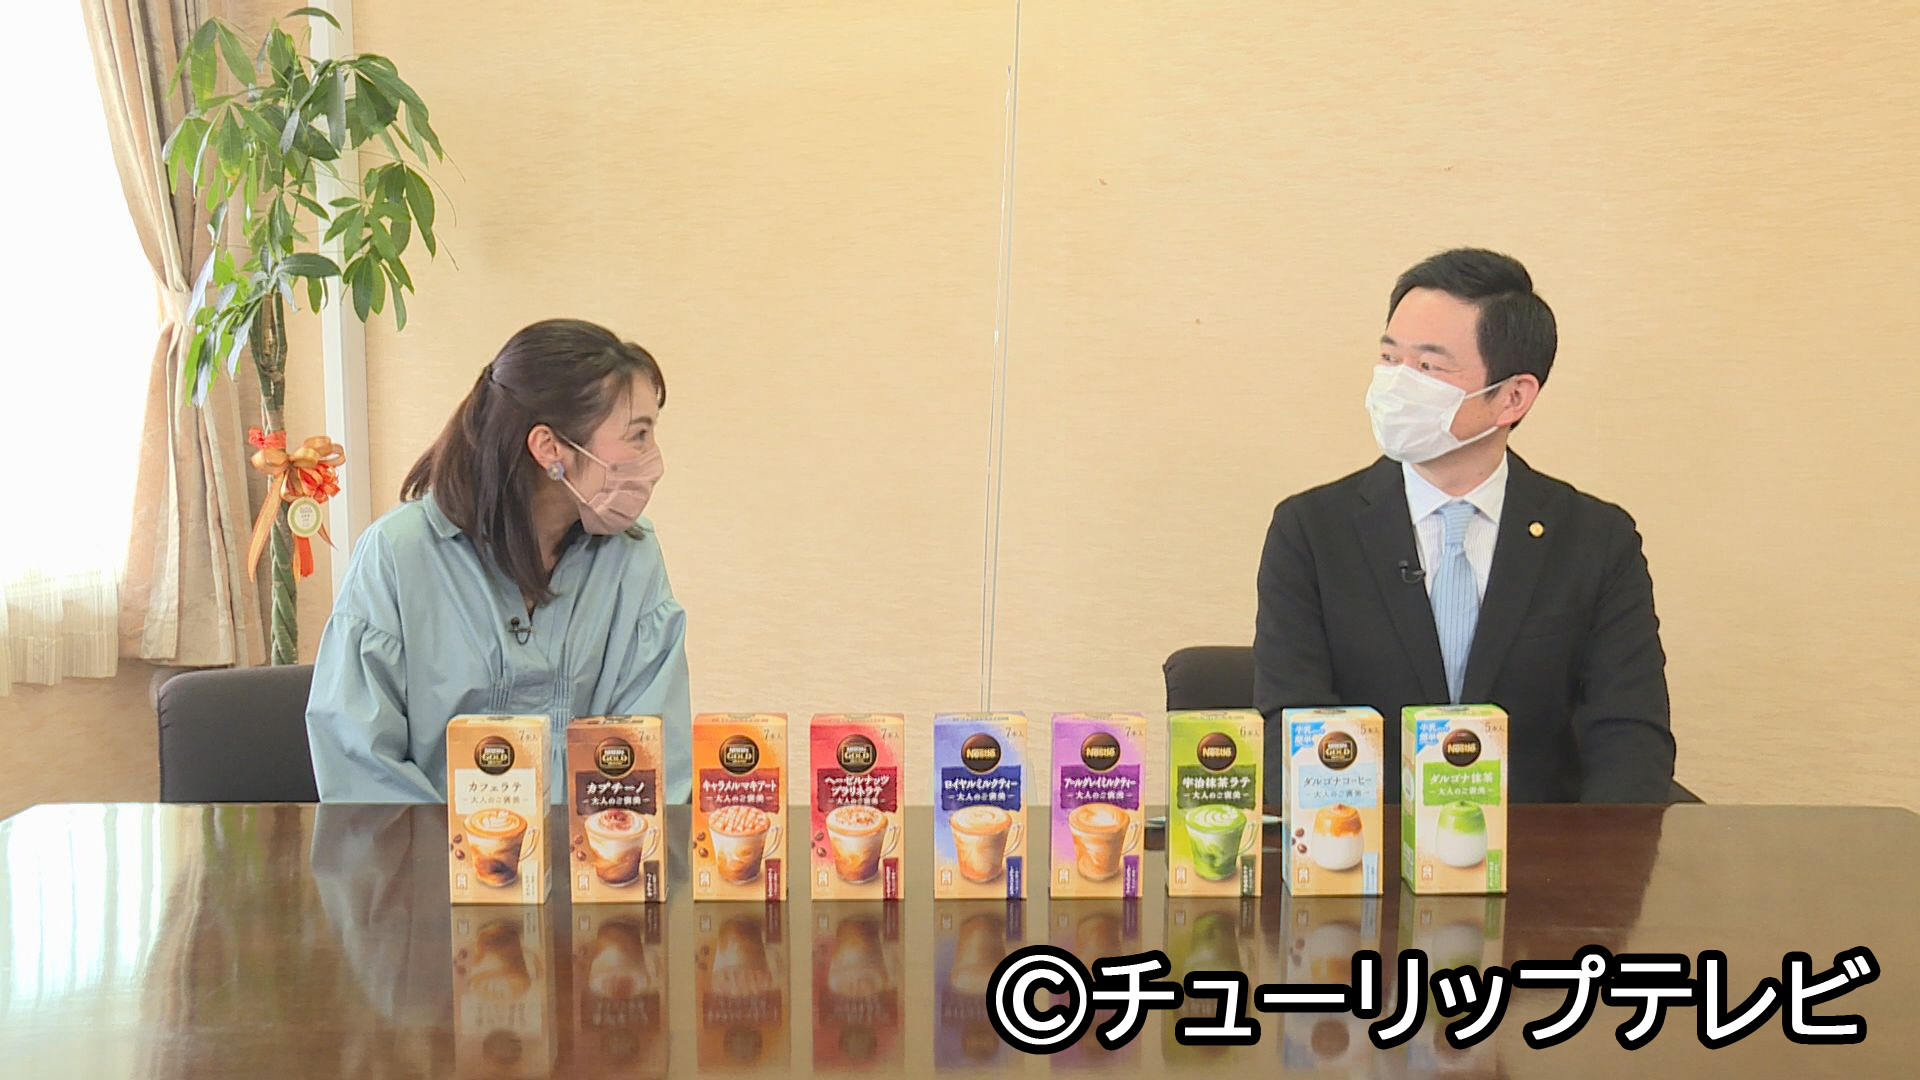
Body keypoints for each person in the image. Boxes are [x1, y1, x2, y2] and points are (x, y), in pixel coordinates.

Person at [1254, 249, 1675, 804]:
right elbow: (1291, 723)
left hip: (1539, 849)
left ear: (1512, 397)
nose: (1398, 385)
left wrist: (1596, 854)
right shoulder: (1311, 531)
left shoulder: (1596, 540)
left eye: (1428, 368)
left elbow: (1631, 739)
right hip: (1361, 841)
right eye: (1390, 358)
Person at [306, 318, 691, 803]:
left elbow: (656, 759)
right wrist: (470, 845)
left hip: (598, 849)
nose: (654, 459)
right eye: (638, 434)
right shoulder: (397, 556)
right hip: (429, 851)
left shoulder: (633, 556)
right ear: (550, 448)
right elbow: (360, 768)